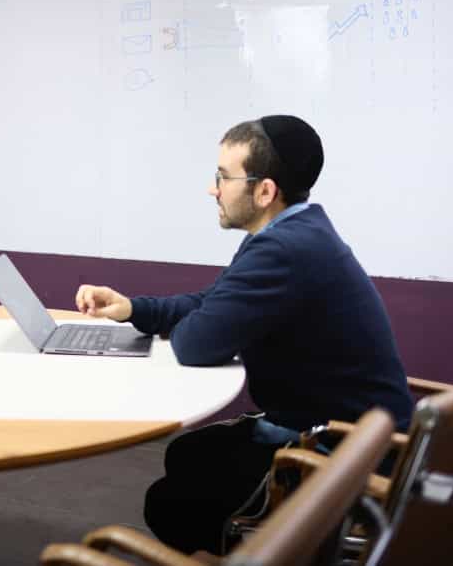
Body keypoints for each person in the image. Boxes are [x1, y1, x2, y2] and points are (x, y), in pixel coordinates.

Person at [74, 115, 412, 555]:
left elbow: (195, 342)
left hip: (339, 450)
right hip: (354, 431)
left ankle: (272, 549)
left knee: (168, 505)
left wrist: (197, 321)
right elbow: (211, 302)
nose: (213, 188)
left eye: (222, 177)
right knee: (186, 455)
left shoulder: (283, 249)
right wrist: (133, 309)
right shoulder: (297, 230)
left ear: (264, 190)